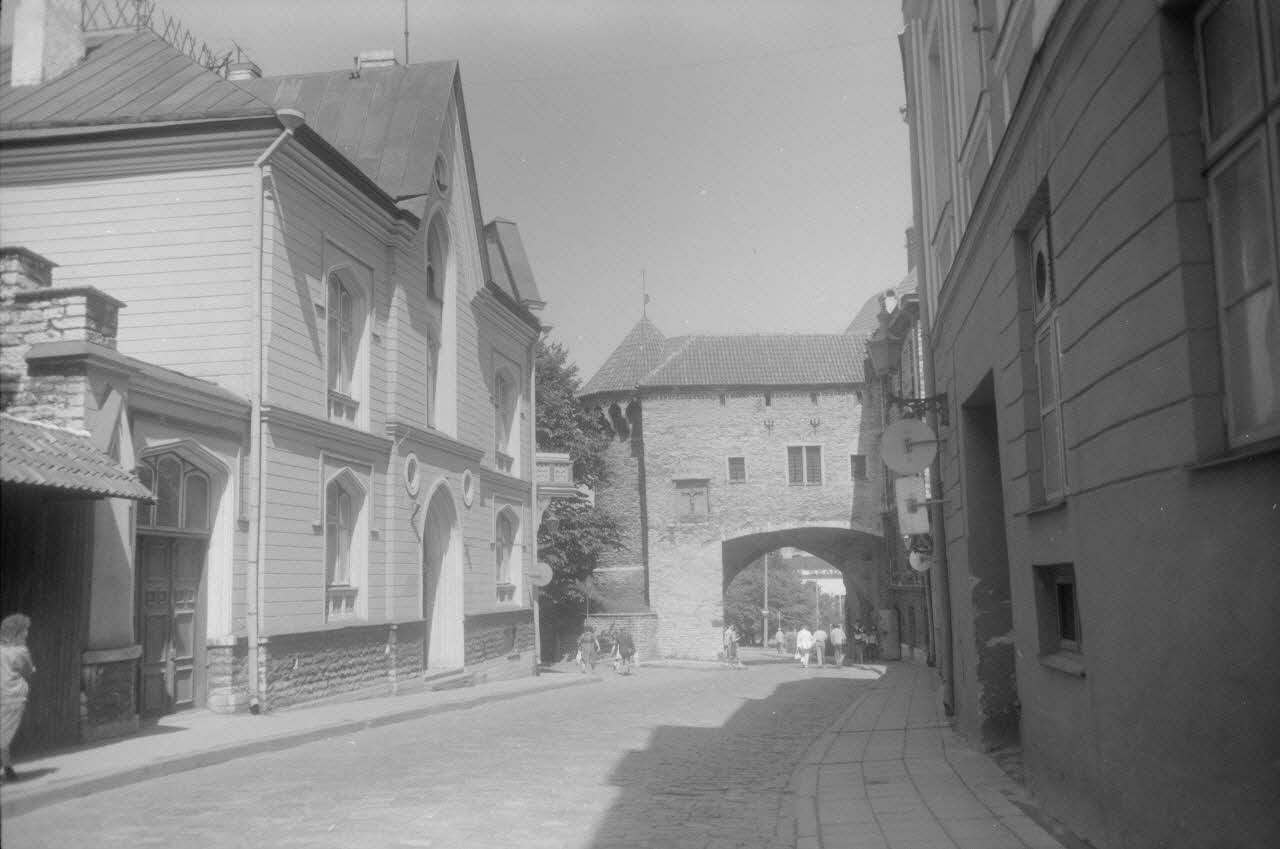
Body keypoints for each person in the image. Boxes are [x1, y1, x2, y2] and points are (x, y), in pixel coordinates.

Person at [1, 613, 35, 783]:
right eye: (25, 630)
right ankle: (7, 770)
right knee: (3, 735)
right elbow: (28, 670)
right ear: (19, 633)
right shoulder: (21, 651)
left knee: (3, 733)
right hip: (13, 698)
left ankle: (8, 769)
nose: (27, 634)